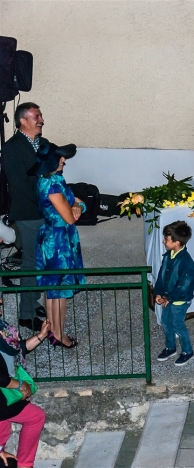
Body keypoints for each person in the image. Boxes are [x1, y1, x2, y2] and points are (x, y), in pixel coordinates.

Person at [29, 142, 85, 349]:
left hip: (53, 236)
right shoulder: (53, 185)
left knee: (53, 289)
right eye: (61, 157)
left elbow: (76, 202)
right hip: (58, 241)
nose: (64, 160)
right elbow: (70, 218)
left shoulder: (51, 179)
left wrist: (77, 205)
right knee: (59, 290)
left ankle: (53, 331)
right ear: (53, 160)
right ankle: (59, 335)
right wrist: (76, 208)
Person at [1, 103, 47, 332]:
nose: (41, 120)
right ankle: (26, 315)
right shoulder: (12, 148)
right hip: (29, 214)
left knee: (40, 261)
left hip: (43, 210)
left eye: (40, 115)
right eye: (36, 116)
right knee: (31, 264)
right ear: (23, 121)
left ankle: (34, 300)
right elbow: (20, 186)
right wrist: (49, 200)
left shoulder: (41, 143)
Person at [0, 312, 50, 468]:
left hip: (6, 394)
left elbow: (18, 349)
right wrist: (20, 385)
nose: (1, 301)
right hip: (4, 392)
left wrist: (41, 336)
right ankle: (25, 464)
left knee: (3, 424)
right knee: (35, 417)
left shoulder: (2, 328)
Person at [153, 220, 194, 366]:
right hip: (169, 298)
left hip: (179, 301)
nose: (163, 241)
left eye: (166, 239)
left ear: (176, 242)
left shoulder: (186, 262)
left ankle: (187, 351)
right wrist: (158, 293)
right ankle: (170, 347)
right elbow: (161, 277)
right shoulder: (168, 255)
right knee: (166, 322)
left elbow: (183, 286)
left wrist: (169, 298)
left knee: (178, 325)